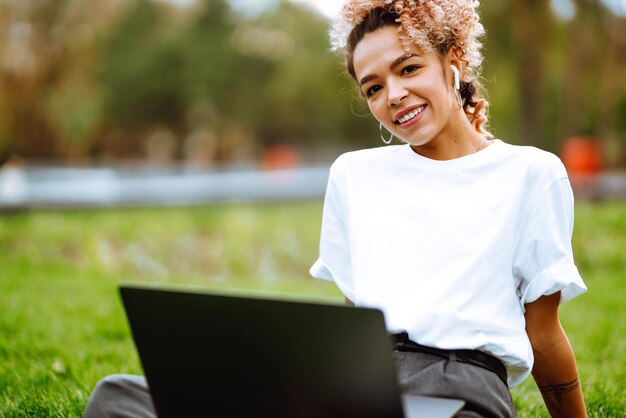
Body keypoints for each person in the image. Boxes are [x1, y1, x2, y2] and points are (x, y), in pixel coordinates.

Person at [309, 1, 587, 417]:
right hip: (368, 384)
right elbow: (357, 319)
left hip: (463, 383)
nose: (394, 96)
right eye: (374, 88)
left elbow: (543, 332)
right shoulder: (352, 175)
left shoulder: (531, 173)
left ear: (453, 60)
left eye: (408, 69)